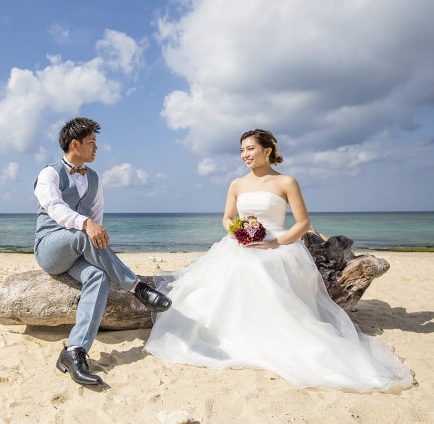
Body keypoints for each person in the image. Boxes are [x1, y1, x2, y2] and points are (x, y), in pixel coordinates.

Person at [143, 129, 413, 391]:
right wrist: (238, 231)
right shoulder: (237, 183)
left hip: (278, 244)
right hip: (241, 242)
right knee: (223, 278)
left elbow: (303, 223)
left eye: (250, 149)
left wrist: (274, 243)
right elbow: (227, 218)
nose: (244, 155)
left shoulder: (287, 182)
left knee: (264, 274)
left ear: (267, 150)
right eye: (241, 150)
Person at [34, 117, 172, 386]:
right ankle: (137, 288)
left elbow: (97, 217)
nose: (96, 148)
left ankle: (74, 351)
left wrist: (92, 229)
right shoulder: (49, 174)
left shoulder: (95, 178)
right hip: (50, 247)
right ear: (75, 144)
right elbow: (56, 209)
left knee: (98, 276)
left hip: (78, 250)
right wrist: (85, 224)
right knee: (82, 231)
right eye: (92, 143)